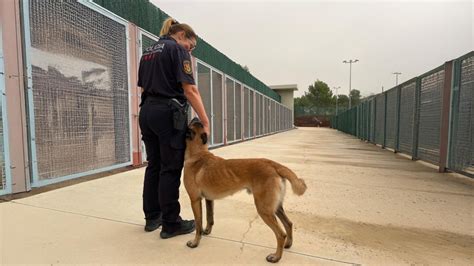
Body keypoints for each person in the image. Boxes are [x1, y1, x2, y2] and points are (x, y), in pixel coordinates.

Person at [138, 17, 210, 239]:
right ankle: (171, 223)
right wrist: (205, 121)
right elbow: (190, 89)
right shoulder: (177, 50)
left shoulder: (148, 51)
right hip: (168, 113)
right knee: (170, 168)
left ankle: (152, 217)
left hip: (147, 111)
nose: (191, 49)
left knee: (154, 165)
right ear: (181, 35)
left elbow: (143, 86)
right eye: (192, 45)